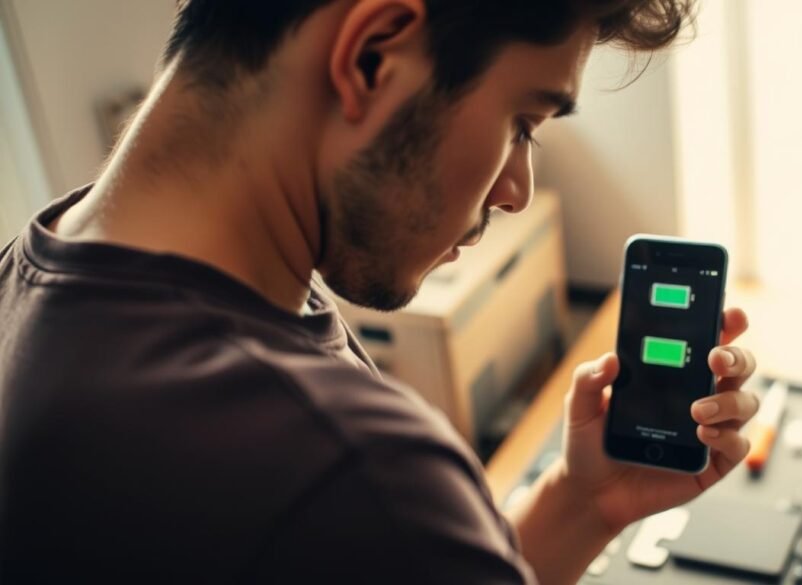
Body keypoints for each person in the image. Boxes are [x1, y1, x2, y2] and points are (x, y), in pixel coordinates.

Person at [0, 1, 759, 582]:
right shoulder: (352, 469)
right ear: (371, 56)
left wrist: (583, 500)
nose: (517, 189)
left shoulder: (36, 274)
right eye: (522, 119)